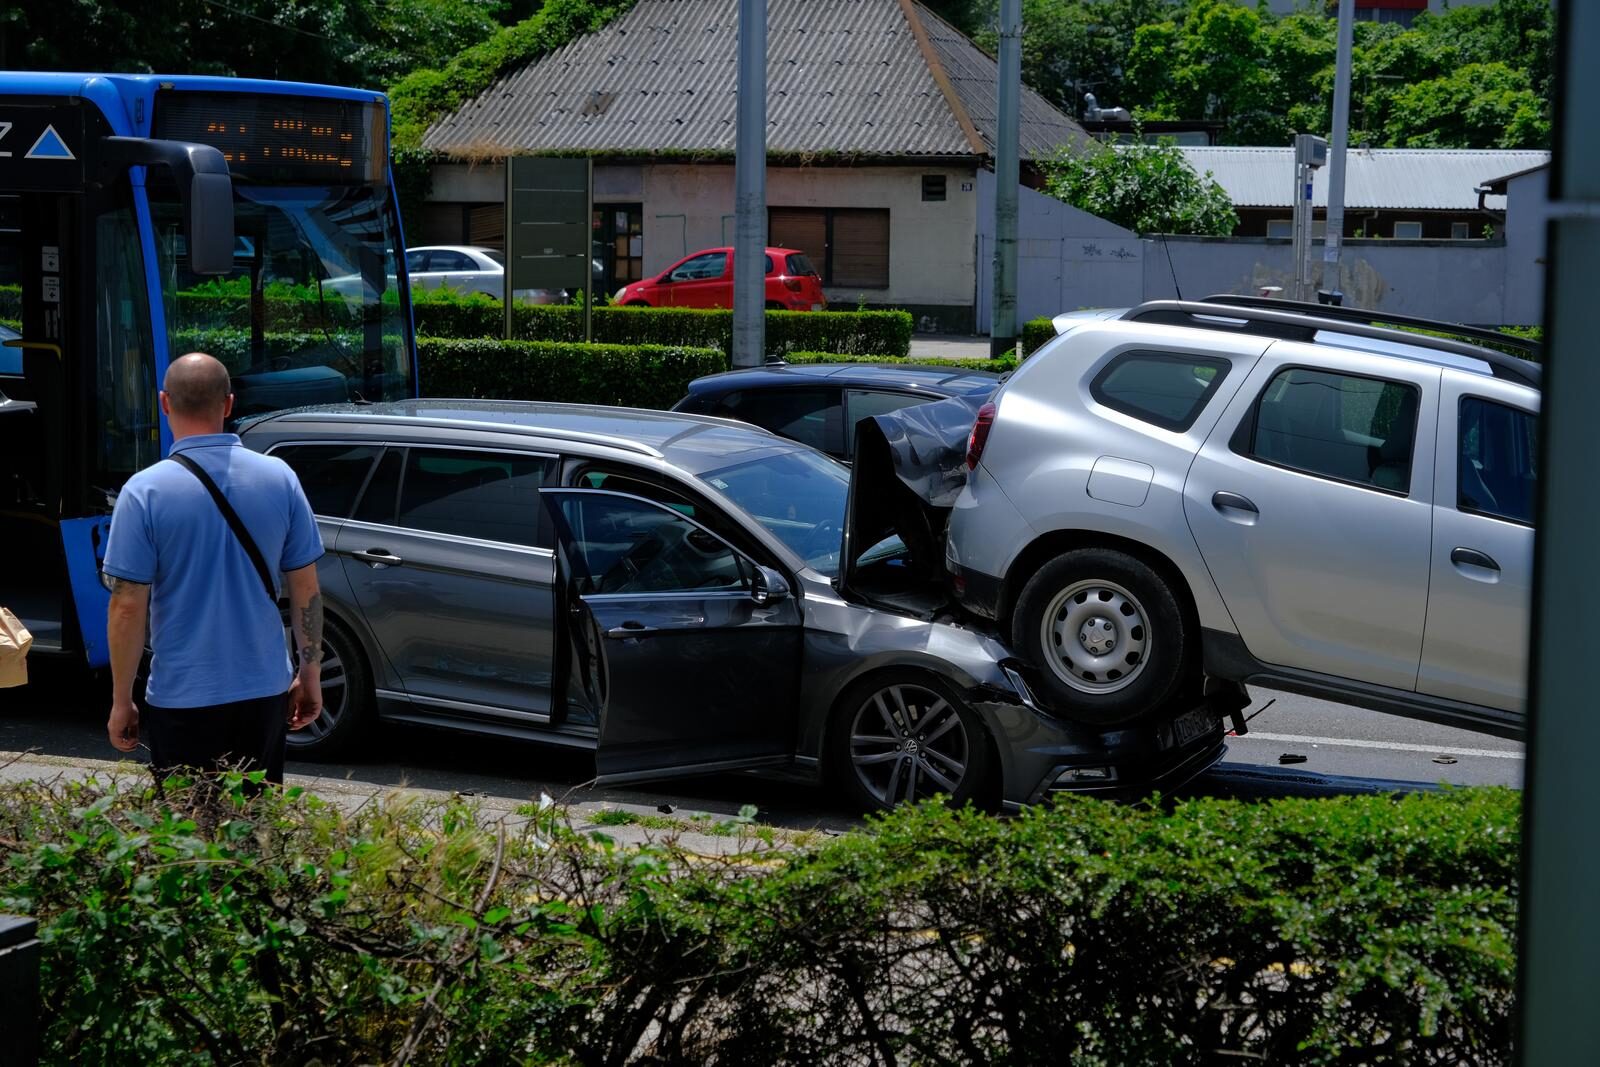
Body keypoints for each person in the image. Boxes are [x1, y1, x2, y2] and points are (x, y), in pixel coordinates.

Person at [102, 352, 324, 784]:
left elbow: (127, 606)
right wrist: (309, 672)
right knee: (255, 835)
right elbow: (306, 589)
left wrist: (121, 700)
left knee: (187, 835)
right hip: (263, 691)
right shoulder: (280, 478)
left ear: (164, 403)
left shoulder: (143, 492)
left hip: (182, 695)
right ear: (228, 404)